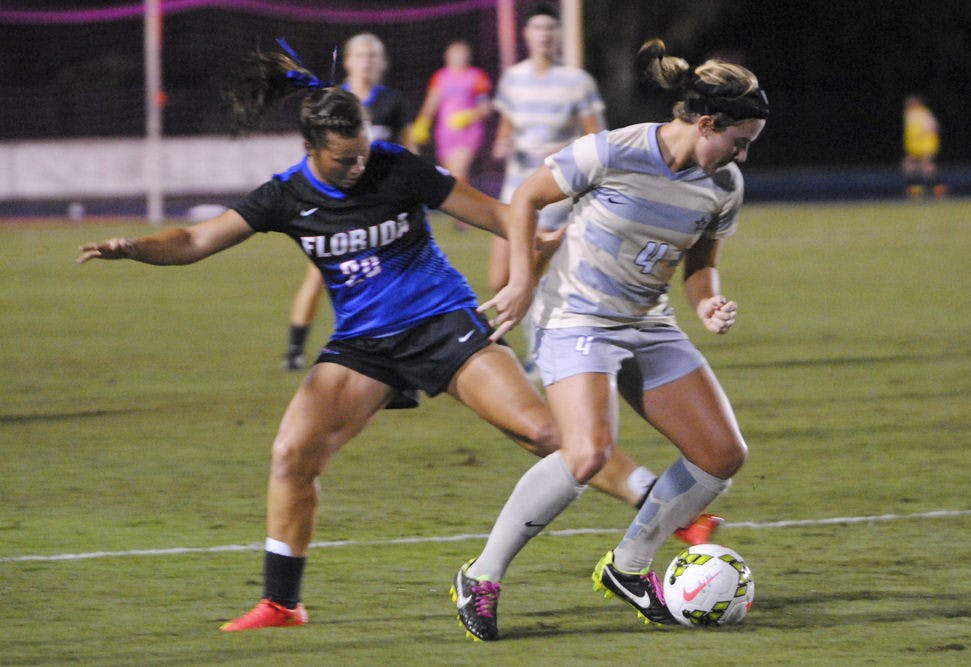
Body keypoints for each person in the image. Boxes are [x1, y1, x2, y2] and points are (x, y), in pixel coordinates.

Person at [76, 45, 663, 632]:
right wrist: (134, 249)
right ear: (309, 150)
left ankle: (662, 505)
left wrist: (532, 256)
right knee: (291, 455)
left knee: (544, 431)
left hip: (440, 321)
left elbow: (499, 215)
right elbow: (196, 240)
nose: (357, 166)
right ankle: (282, 604)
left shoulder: (395, 165)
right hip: (364, 345)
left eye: (360, 153)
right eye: (342, 160)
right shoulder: (285, 195)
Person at [450, 39, 769, 641]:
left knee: (721, 454)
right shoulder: (614, 150)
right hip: (577, 318)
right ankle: (482, 575)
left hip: (648, 322)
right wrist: (521, 281)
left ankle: (628, 568)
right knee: (587, 453)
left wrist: (708, 303)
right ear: (706, 123)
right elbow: (527, 199)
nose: (743, 156)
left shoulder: (722, 183)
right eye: (739, 140)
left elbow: (699, 261)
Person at [283, 32, 415, 371]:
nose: (367, 61)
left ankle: (397, 345)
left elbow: (408, 152)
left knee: (392, 274)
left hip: (382, 206)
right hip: (340, 204)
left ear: (381, 62)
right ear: (348, 61)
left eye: (373, 55)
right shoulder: (331, 100)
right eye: (360, 55)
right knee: (318, 274)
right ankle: (295, 348)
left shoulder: (392, 102)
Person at [488, 2, 606, 375]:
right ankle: (517, 351)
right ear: (527, 36)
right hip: (513, 189)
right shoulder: (512, 78)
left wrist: (563, 152)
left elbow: (597, 137)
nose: (544, 35)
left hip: (554, 192)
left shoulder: (577, 81)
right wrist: (503, 142)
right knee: (499, 278)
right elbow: (506, 126)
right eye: (538, 29)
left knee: (533, 276)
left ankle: (541, 354)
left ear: (558, 36)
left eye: (551, 30)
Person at [411, 39, 493, 191]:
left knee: (458, 172)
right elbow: (431, 102)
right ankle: (461, 210)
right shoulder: (440, 77)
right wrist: (422, 123)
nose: (459, 57)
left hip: (468, 132)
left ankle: (464, 211)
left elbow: (486, 107)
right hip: (445, 133)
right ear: (447, 56)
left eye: (463, 53)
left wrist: (468, 116)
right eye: (455, 53)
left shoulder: (477, 76)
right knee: (451, 177)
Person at [901, 94, 945, 199]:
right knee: (909, 165)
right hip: (916, 146)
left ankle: (937, 188)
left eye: (910, 103)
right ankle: (917, 188)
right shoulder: (910, 114)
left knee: (926, 166)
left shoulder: (922, 113)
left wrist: (923, 133)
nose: (908, 105)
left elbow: (933, 126)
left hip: (925, 145)